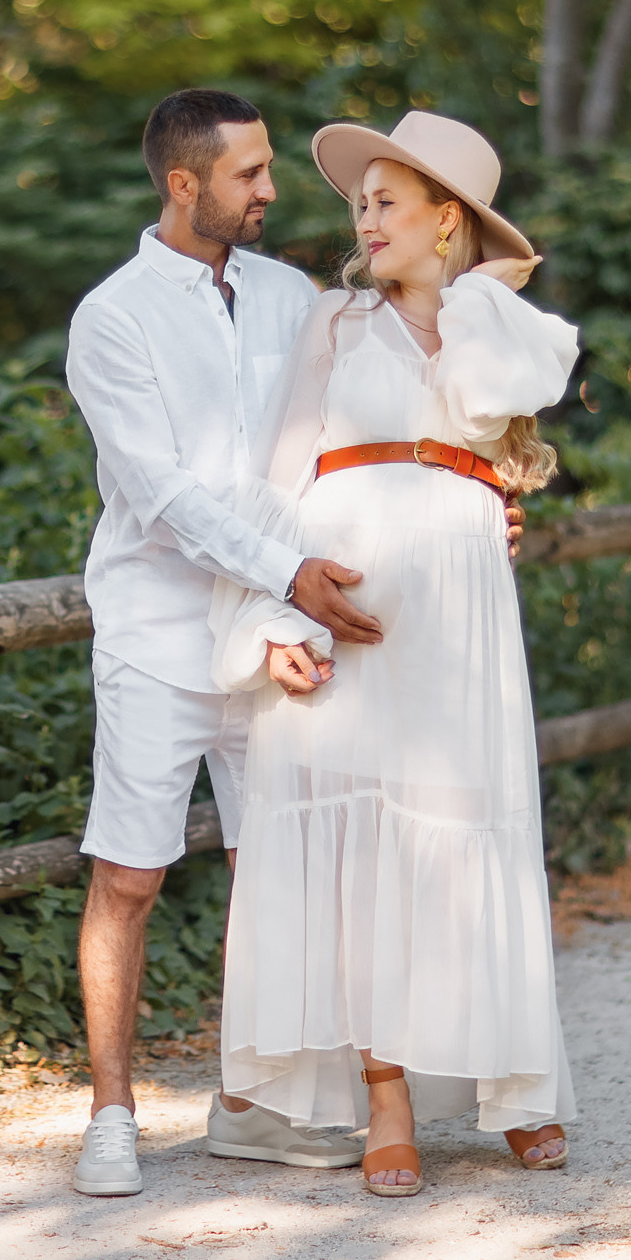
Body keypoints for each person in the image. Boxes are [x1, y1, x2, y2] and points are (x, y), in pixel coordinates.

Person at [209, 108, 580, 1198]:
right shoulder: (335, 322)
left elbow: (487, 436)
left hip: (460, 619)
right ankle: (385, 1099)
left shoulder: (491, 328)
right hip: (348, 610)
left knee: (470, 828)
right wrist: (272, 617)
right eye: (359, 204)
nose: (364, 221)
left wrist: (471, 300)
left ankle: (514, 1080)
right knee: (363, 848)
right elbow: (275, 479)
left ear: (445, 218)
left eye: (387, 202)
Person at [59, 88, 385, 1198]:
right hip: (155, 633)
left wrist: (474, 496)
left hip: (272, 636)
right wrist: (287, 579)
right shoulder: (112, 318)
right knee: (129, 875)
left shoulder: (292, 297)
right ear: (182, 183)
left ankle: (252, 1103)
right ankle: (111, 1115)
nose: (270, 189)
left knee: (276, 869)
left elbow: (341, 447)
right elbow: (161, 496)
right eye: (249, 173)